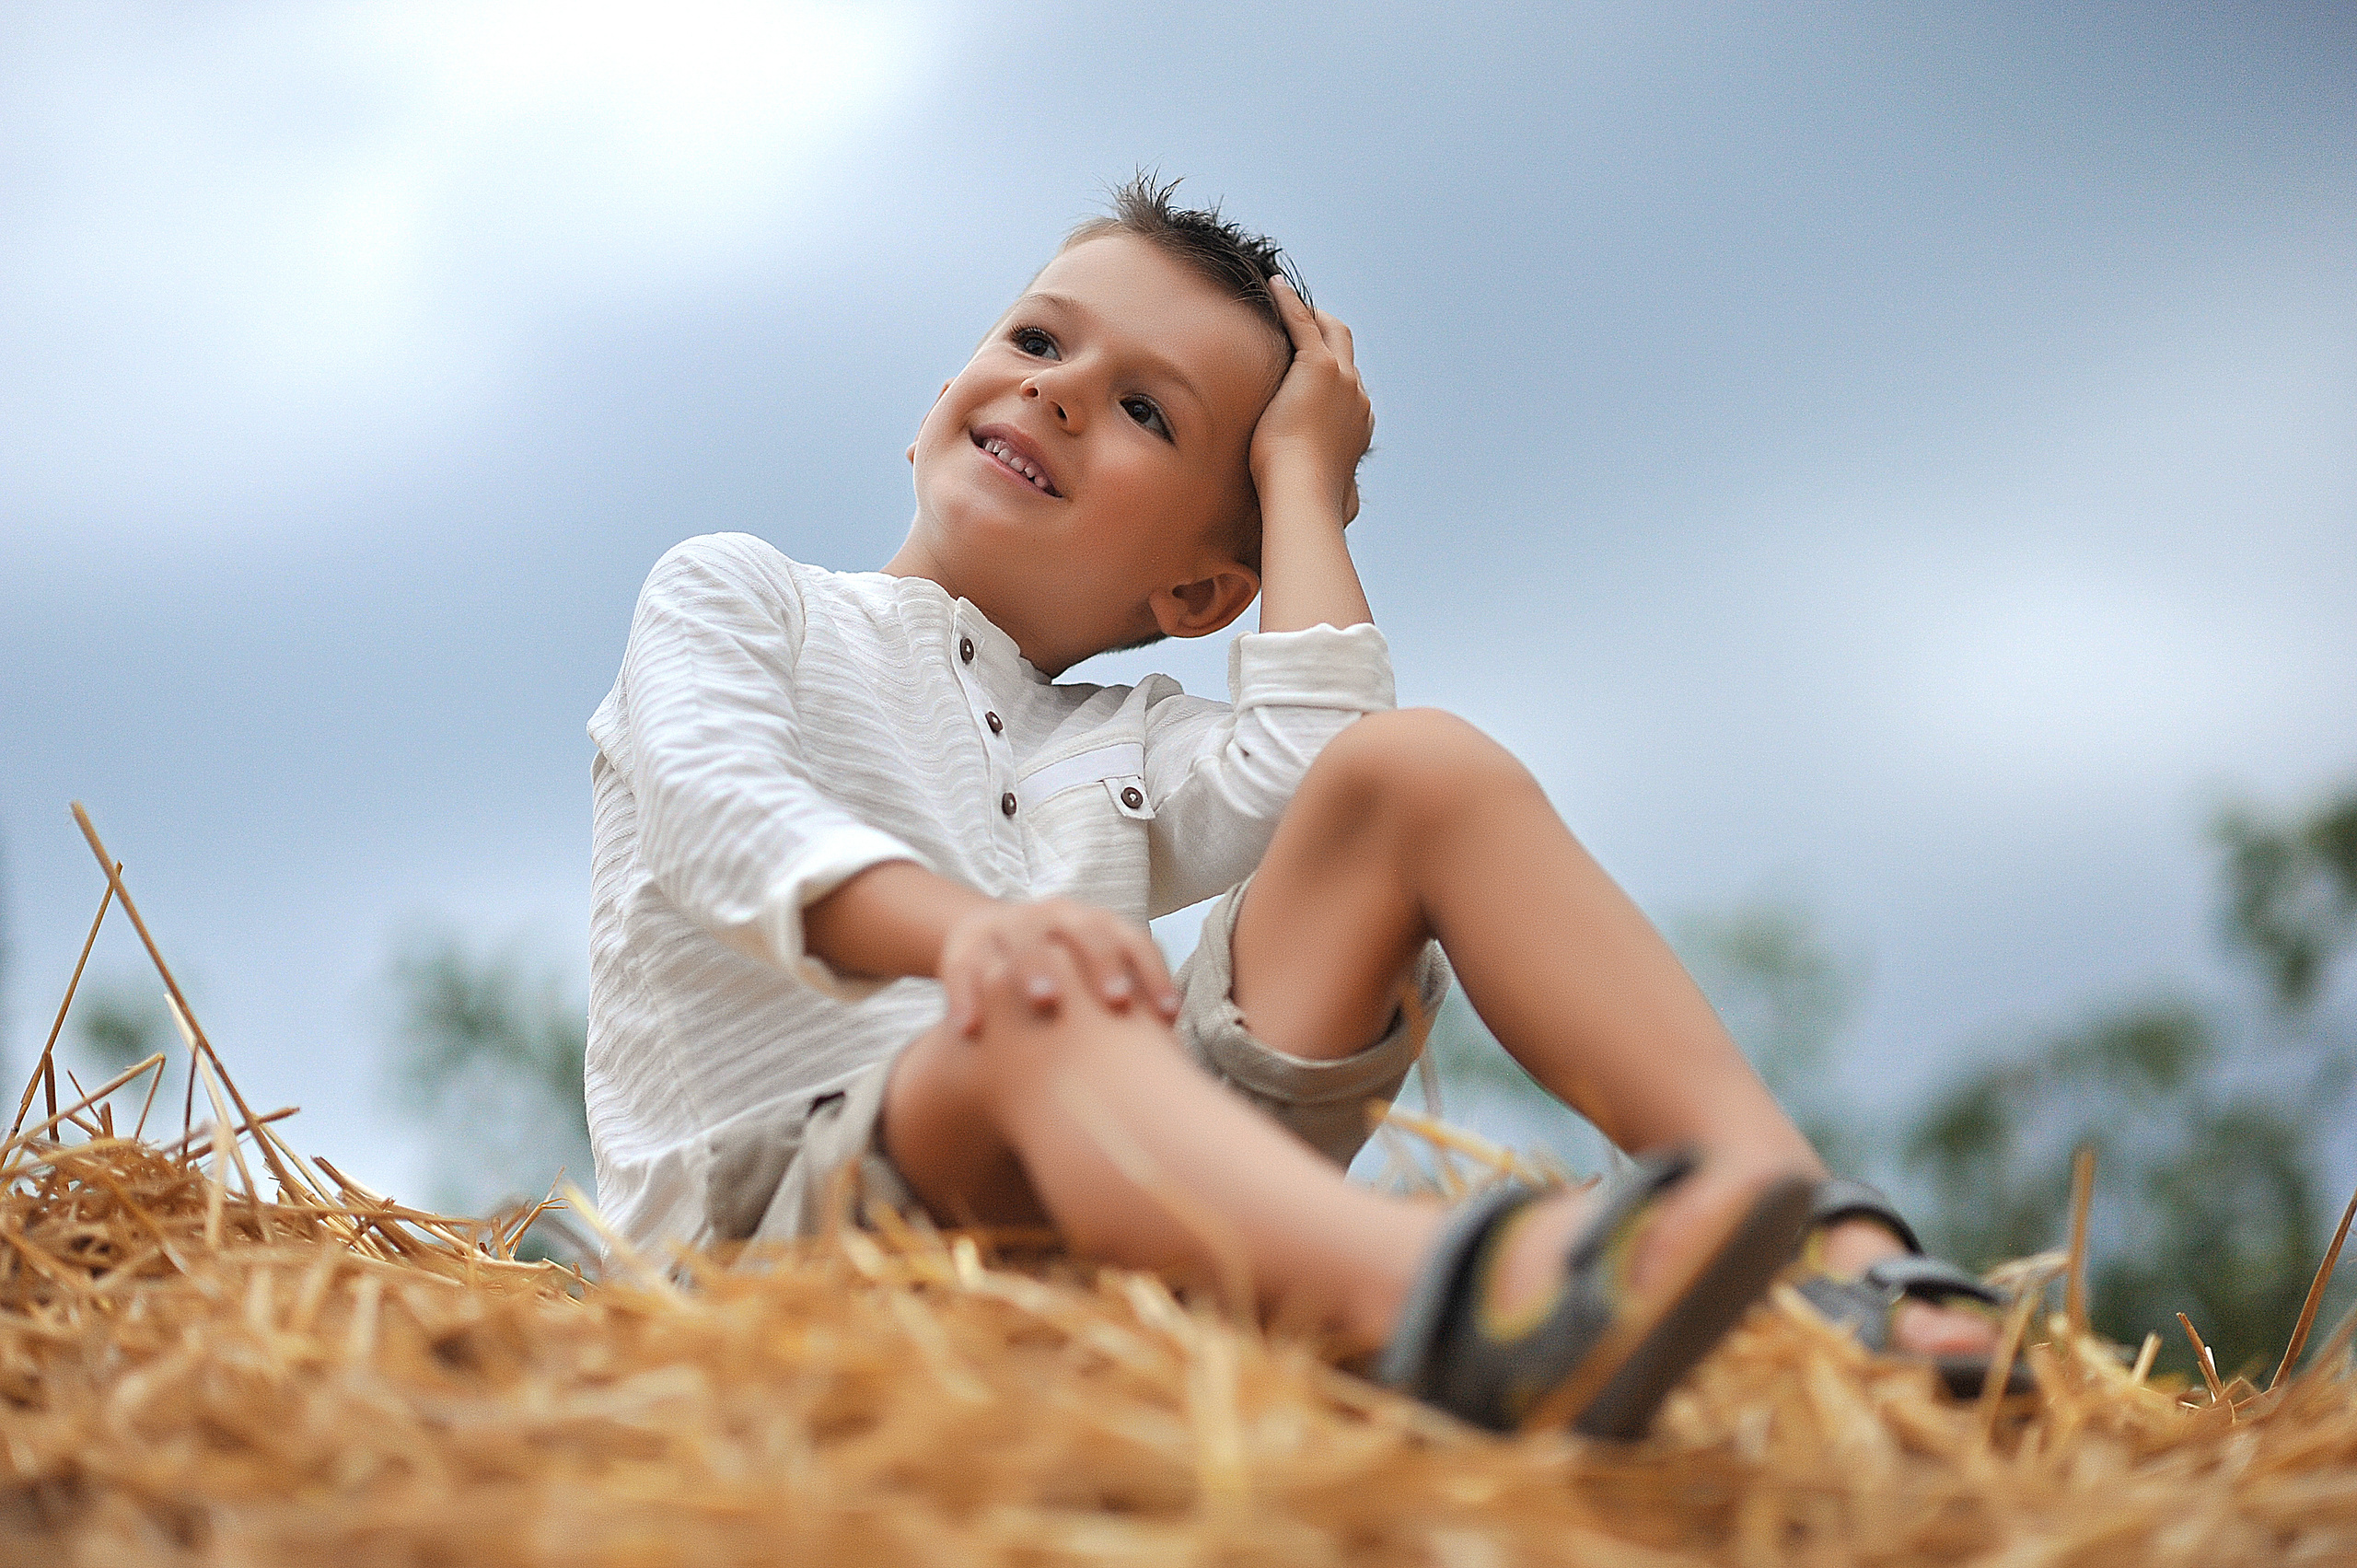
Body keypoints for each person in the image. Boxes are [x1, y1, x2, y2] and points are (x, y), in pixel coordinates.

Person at [586, 178, 2003, 1437]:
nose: (1062, 388)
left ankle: (1821, 1248)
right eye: (1037, 338)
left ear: (1197, 596)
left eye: (1147, 411)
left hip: (1107, 1219)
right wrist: (973, 943)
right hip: (788, 1231)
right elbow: (724, 815)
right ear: (931, 407)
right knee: (1049, 1000)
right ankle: (1454, 1315)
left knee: (1419, 773)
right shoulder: (743, 594)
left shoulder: (1124, 739)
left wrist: (1302, 476)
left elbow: (1323, 758)